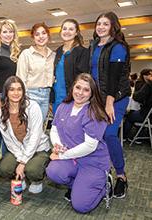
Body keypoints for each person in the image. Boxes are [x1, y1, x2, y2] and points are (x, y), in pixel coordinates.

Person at [46, 73, 111, 213]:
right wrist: (57, 145)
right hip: (73, 159)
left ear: (92, 93)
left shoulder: (94, 112)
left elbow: (89, 146)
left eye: (86, 90)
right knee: (53, 171)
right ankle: (78, 186)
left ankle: (104, 184)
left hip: (92, 163)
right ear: (72, 87)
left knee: (81, 206)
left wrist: (62, 156)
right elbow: (54, 130)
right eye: (78, 87)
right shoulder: (64, 106)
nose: (80, 93)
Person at [89, 12, 131, 198]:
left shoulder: (118, 47)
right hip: (97, 99)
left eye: (106, 24)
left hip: (116, 99)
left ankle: (121, 175)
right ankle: (99, 173)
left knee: (109, 133)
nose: (101, 27)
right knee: (94, 136)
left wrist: (109, 102)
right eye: (99, 23)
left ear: (113, 26)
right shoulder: (93, 46)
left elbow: (114, 78)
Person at [0, 76, 50, 194]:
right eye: (12, 89)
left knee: (33, 171)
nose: (16, 93)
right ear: (6, 92)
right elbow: (8, 141)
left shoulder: (33, 107)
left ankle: (36, 181)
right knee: (2, 169)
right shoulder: (1, 112)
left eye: (19, 89)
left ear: (23, 91)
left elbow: (35, 137)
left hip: (38, 148)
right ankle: (21, 176)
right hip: (18, 149)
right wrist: (21, 160)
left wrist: (23, 162)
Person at [16, 23, 55, 121]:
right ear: (33, 37)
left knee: (40, 127)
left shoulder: (53, 55)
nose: (41, 37)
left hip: (47, 95)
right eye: (37, 34)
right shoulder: (26, 54)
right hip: (30, 95)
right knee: (30, 127)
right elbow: (20, 78)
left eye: (43, 33)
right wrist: (23, 99)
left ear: (48, 36)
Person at [52, 19, 89, 113]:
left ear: (76, 33)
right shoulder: (58, 51)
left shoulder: (82, 52)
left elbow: (83, 78)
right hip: (56, 98)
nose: (67, 32)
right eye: (64, 29)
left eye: (71, 29)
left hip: (73, 99)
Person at [0, 20, 20, 112]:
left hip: (12, 92)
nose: (8, 34)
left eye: (11, 32)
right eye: (5, 32)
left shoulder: (15, 52)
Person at [124, 71, 152, 141]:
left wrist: (133, 94)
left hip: (147, 115)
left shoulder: (149, 85)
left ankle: (125, 136)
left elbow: (138, 97)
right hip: (149, 115)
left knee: (130, 116)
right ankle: (140, 135)